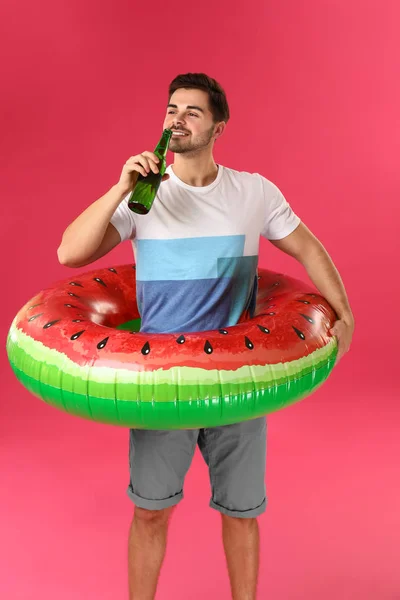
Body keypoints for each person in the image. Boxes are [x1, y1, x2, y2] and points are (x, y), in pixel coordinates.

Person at [57, 73, 354, 600]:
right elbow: (70, 254)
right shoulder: (146, 198)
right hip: (162, 384)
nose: (178, 119)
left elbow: (308, 247)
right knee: (150, 513)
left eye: (193, 111)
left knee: (241, 516)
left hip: (234, 383)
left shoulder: (253, 191)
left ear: (219, 126)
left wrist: (345, 313)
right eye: (172, 108)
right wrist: (120, 187)